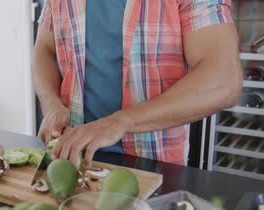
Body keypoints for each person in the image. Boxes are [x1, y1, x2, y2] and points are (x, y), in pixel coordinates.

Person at [33, 0, 242, 168]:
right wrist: (50, 104)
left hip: (153, 163)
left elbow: (224, 79)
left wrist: (122, 121)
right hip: (70, 155)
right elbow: (45, 48)